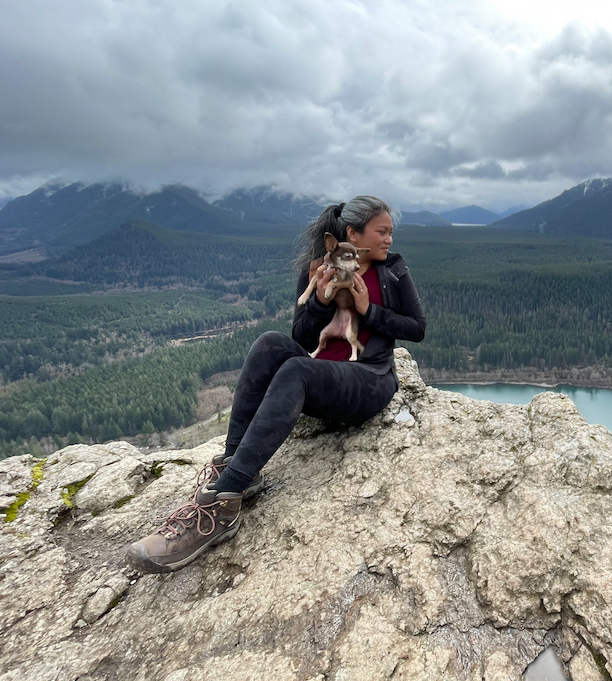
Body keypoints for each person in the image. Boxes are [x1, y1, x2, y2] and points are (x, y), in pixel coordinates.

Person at [127, 196, 425, 574]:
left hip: (368, 381)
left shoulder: (394, 271)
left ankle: (222, 505)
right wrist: (317, 300)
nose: (389, 241)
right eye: (382, 232)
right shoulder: (318, 268)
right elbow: (300, 336)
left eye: (390, 233)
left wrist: (370, 312)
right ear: (353, 234)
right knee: (270, 343)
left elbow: (417, 328)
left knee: (297, 371)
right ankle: (236, 468)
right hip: (321, 379)